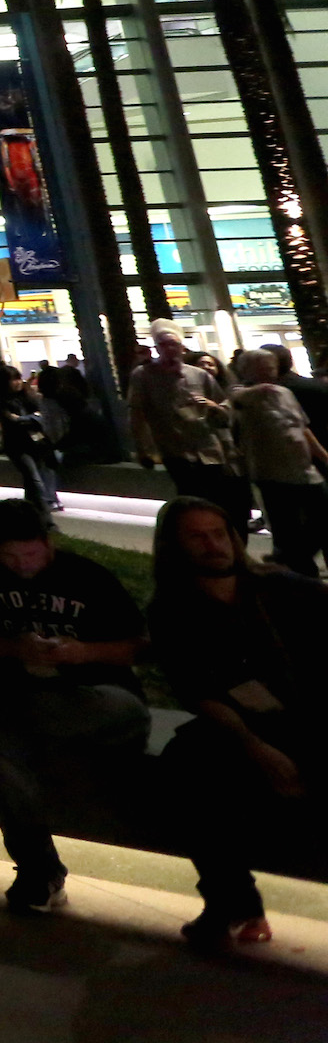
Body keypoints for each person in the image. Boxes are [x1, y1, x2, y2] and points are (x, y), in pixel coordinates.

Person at [0, 499, 147, 915]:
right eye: (10, 556)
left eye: (31, 554)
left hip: (103, 701)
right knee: (1, 747)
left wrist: (80, 653)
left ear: (47, 542)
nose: (21, 565)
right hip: (22, 708)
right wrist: (15, 647)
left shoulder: (87, 578)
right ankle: (39, 871)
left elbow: (135, 649)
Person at [146, 496, 328, 954]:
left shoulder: (283, 589)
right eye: (197, 536)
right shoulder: (172, 608)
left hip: (311, 718)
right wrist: (255, 748)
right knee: (184, 765)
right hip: (243, 725)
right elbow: (197, 691)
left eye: (218, 533)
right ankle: (233, 903)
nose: (213, 545)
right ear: (176, 545)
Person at [129, 326, 248, 530]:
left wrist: (212, 407)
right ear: (157, 348)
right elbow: (137, 413)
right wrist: (143, 448)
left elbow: (224, 406)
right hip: (175, 449)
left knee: (221, 499)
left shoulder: (198, 375)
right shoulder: (143, 375)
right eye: (163, 345)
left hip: (209, 448)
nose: (169, 349)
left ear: (182, 347)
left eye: (173, 344)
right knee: (193, 498)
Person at [227, 347, 328, 579]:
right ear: (247, 370)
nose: (269, 371)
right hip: (272, 472)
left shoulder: (285, 393)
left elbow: (302, 428)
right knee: (287, 525)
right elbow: (235, 400)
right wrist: (260, 388)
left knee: (322, 516)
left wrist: (323, 456)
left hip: (304, 468)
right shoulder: (243, 394)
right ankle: (300, 573)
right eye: (262, 367)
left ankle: (290, 559)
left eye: (271, 366)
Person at [0, 364, 63, 514]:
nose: (18, 383)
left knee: (37, 476)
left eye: (18, 379)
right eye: (13, 380)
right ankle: (42, 509)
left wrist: (23, 418)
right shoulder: (0, 401)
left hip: (37, 443)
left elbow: (38, 417)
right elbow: (12, 421)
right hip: (17, 445)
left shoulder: (29, 396)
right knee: (33, 478)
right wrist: (31, 418)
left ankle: (33, 507)